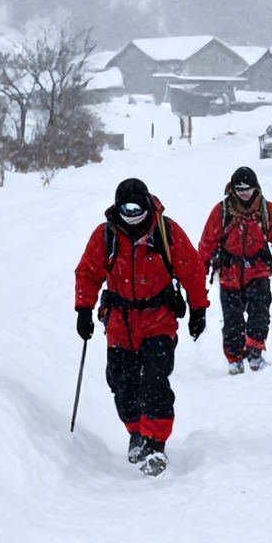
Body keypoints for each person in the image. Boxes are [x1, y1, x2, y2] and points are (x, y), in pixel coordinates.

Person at [74, 178, 210, 476]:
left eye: (138, 207)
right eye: (127, 208)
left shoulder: (165, 231)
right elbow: (88, 272)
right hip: (120, 324)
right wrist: (83, 308)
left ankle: (155, 443)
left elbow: (192, 270)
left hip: (158, 319)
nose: (133, 213)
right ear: (118, 206)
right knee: (122, 384)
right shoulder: (106, 235)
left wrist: (198, 307)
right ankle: (137, 431)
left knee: (154, 381)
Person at [197, 167, 272, 375]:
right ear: (232, 189)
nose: (243, 193)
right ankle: (234, 358)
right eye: (239, 189)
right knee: (232, 320)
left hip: (258, 272)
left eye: (247, 189)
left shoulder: (267, 210)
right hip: (229, 274)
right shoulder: (222, 211)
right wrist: (201, 266)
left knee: (260, 315)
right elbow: (208, 241)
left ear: (256, 188)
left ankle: (255, 352)